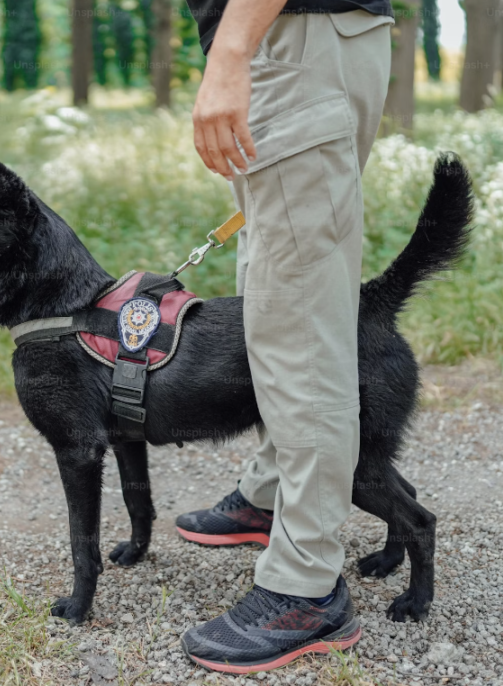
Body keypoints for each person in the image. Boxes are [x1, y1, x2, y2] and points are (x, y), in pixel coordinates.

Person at [175, 0, 394, 673]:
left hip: (293, 43)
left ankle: (305, 587)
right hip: (297, 41)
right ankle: (272, 494)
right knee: (276, 308)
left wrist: (232, 51)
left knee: (299, 331)